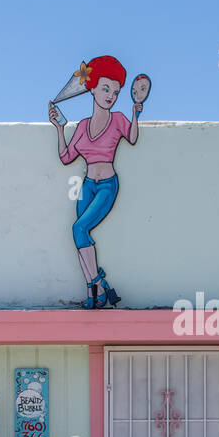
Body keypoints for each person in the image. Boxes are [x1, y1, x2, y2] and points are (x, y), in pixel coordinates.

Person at [49, 55, 142, 308]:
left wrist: (135, 114)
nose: (111, 95)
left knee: (78, 229)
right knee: (81, 234)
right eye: (106, 88)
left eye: (116, 91)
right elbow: (66, 157)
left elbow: (132, 138)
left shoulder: (118, 119)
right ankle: (97, 291)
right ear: (92, 88)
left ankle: (97, 284)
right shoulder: (82, 126)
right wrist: (59, 129)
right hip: (87, 185)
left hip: (107, 186)